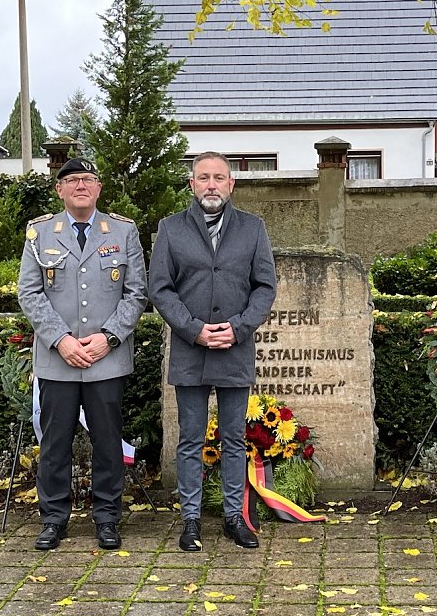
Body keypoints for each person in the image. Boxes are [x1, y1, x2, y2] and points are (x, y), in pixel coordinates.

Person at [148, 151, 277, 551]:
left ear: (231, 184)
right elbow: (160, 288)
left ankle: (234, 518)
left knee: (234, 439)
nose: (211, 185)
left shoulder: (253, 228)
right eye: (203, 177)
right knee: (190, 439)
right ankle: (190, 520)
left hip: (235, 349)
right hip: (191, 350)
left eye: (219, 177)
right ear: (192, 184)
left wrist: (238, 329)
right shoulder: (171, 229)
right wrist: (193, 330)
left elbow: (265, 287)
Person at [17, 158, 147, 551]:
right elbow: (29, 293)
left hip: (106, 359)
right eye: (72, 180)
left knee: (107, 444)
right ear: (59, 189)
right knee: (55, 445)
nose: (80, 186)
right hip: (58, 360)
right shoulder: (40, 232)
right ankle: (53, 519)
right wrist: (61, 340)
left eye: (88, 179)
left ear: (99, 188)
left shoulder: (123, 231)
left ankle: (107, 518)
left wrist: (109, 337)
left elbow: (136, 293)